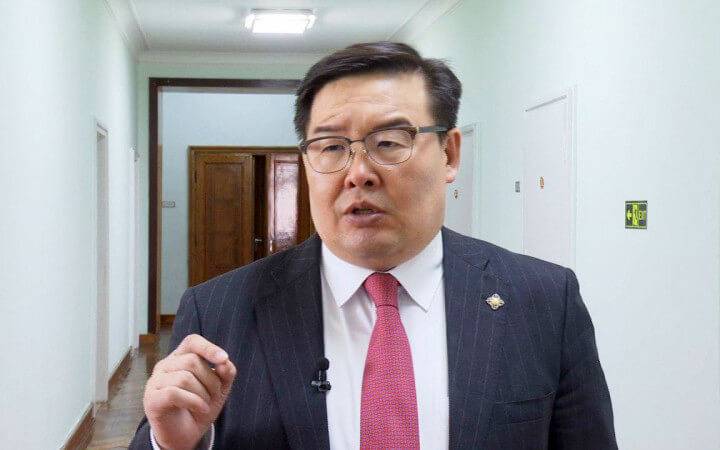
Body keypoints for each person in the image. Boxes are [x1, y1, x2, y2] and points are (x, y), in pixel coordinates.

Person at [130, 41, 617, 450]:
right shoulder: (219, 311)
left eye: (388, 142)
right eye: (331, 147)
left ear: (449, 153)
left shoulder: (543, 302)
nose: (358, 173)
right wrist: (172, 445)